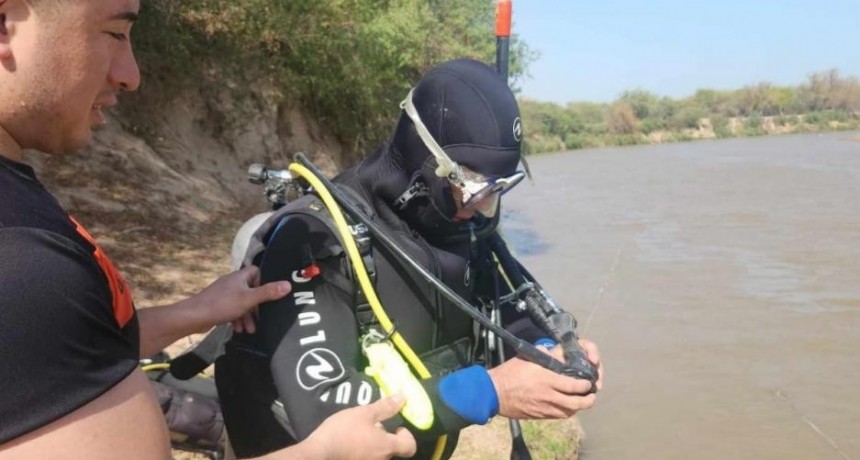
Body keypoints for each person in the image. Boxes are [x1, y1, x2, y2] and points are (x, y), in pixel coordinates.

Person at [0, 1, 416, 459]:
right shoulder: (19, 254)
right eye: (115, 34)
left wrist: (197, 310)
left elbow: (61, 350)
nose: (131, 74)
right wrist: (324, 453)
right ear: (6, 23)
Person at [216, 58, 604, 459]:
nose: (485, 204)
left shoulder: (461, 221)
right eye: (475, 186)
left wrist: (547, 353)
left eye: (501, 188)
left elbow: (502, 310)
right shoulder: (314, 241)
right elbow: (324, 408)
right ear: (426, 162)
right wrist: (490, 391)